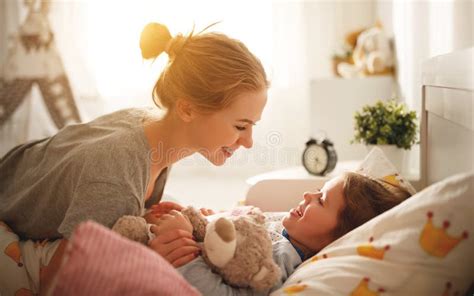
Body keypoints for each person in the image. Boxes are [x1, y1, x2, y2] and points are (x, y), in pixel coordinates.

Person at [0, 22, 268, 295]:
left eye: (252, 126)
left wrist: (149, 214)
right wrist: (148, 260)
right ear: (187, 109)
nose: (248, 142)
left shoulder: (158, 133)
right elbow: (59, 284)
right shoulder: (117, 172)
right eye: (240, 126)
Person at [149, 171, 412, 295]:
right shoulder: (285, 230)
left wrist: (186, 253)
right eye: (317, 190)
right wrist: (207, 221)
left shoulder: (281, 258)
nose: (308, 195)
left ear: (338, 236)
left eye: (320, 200)